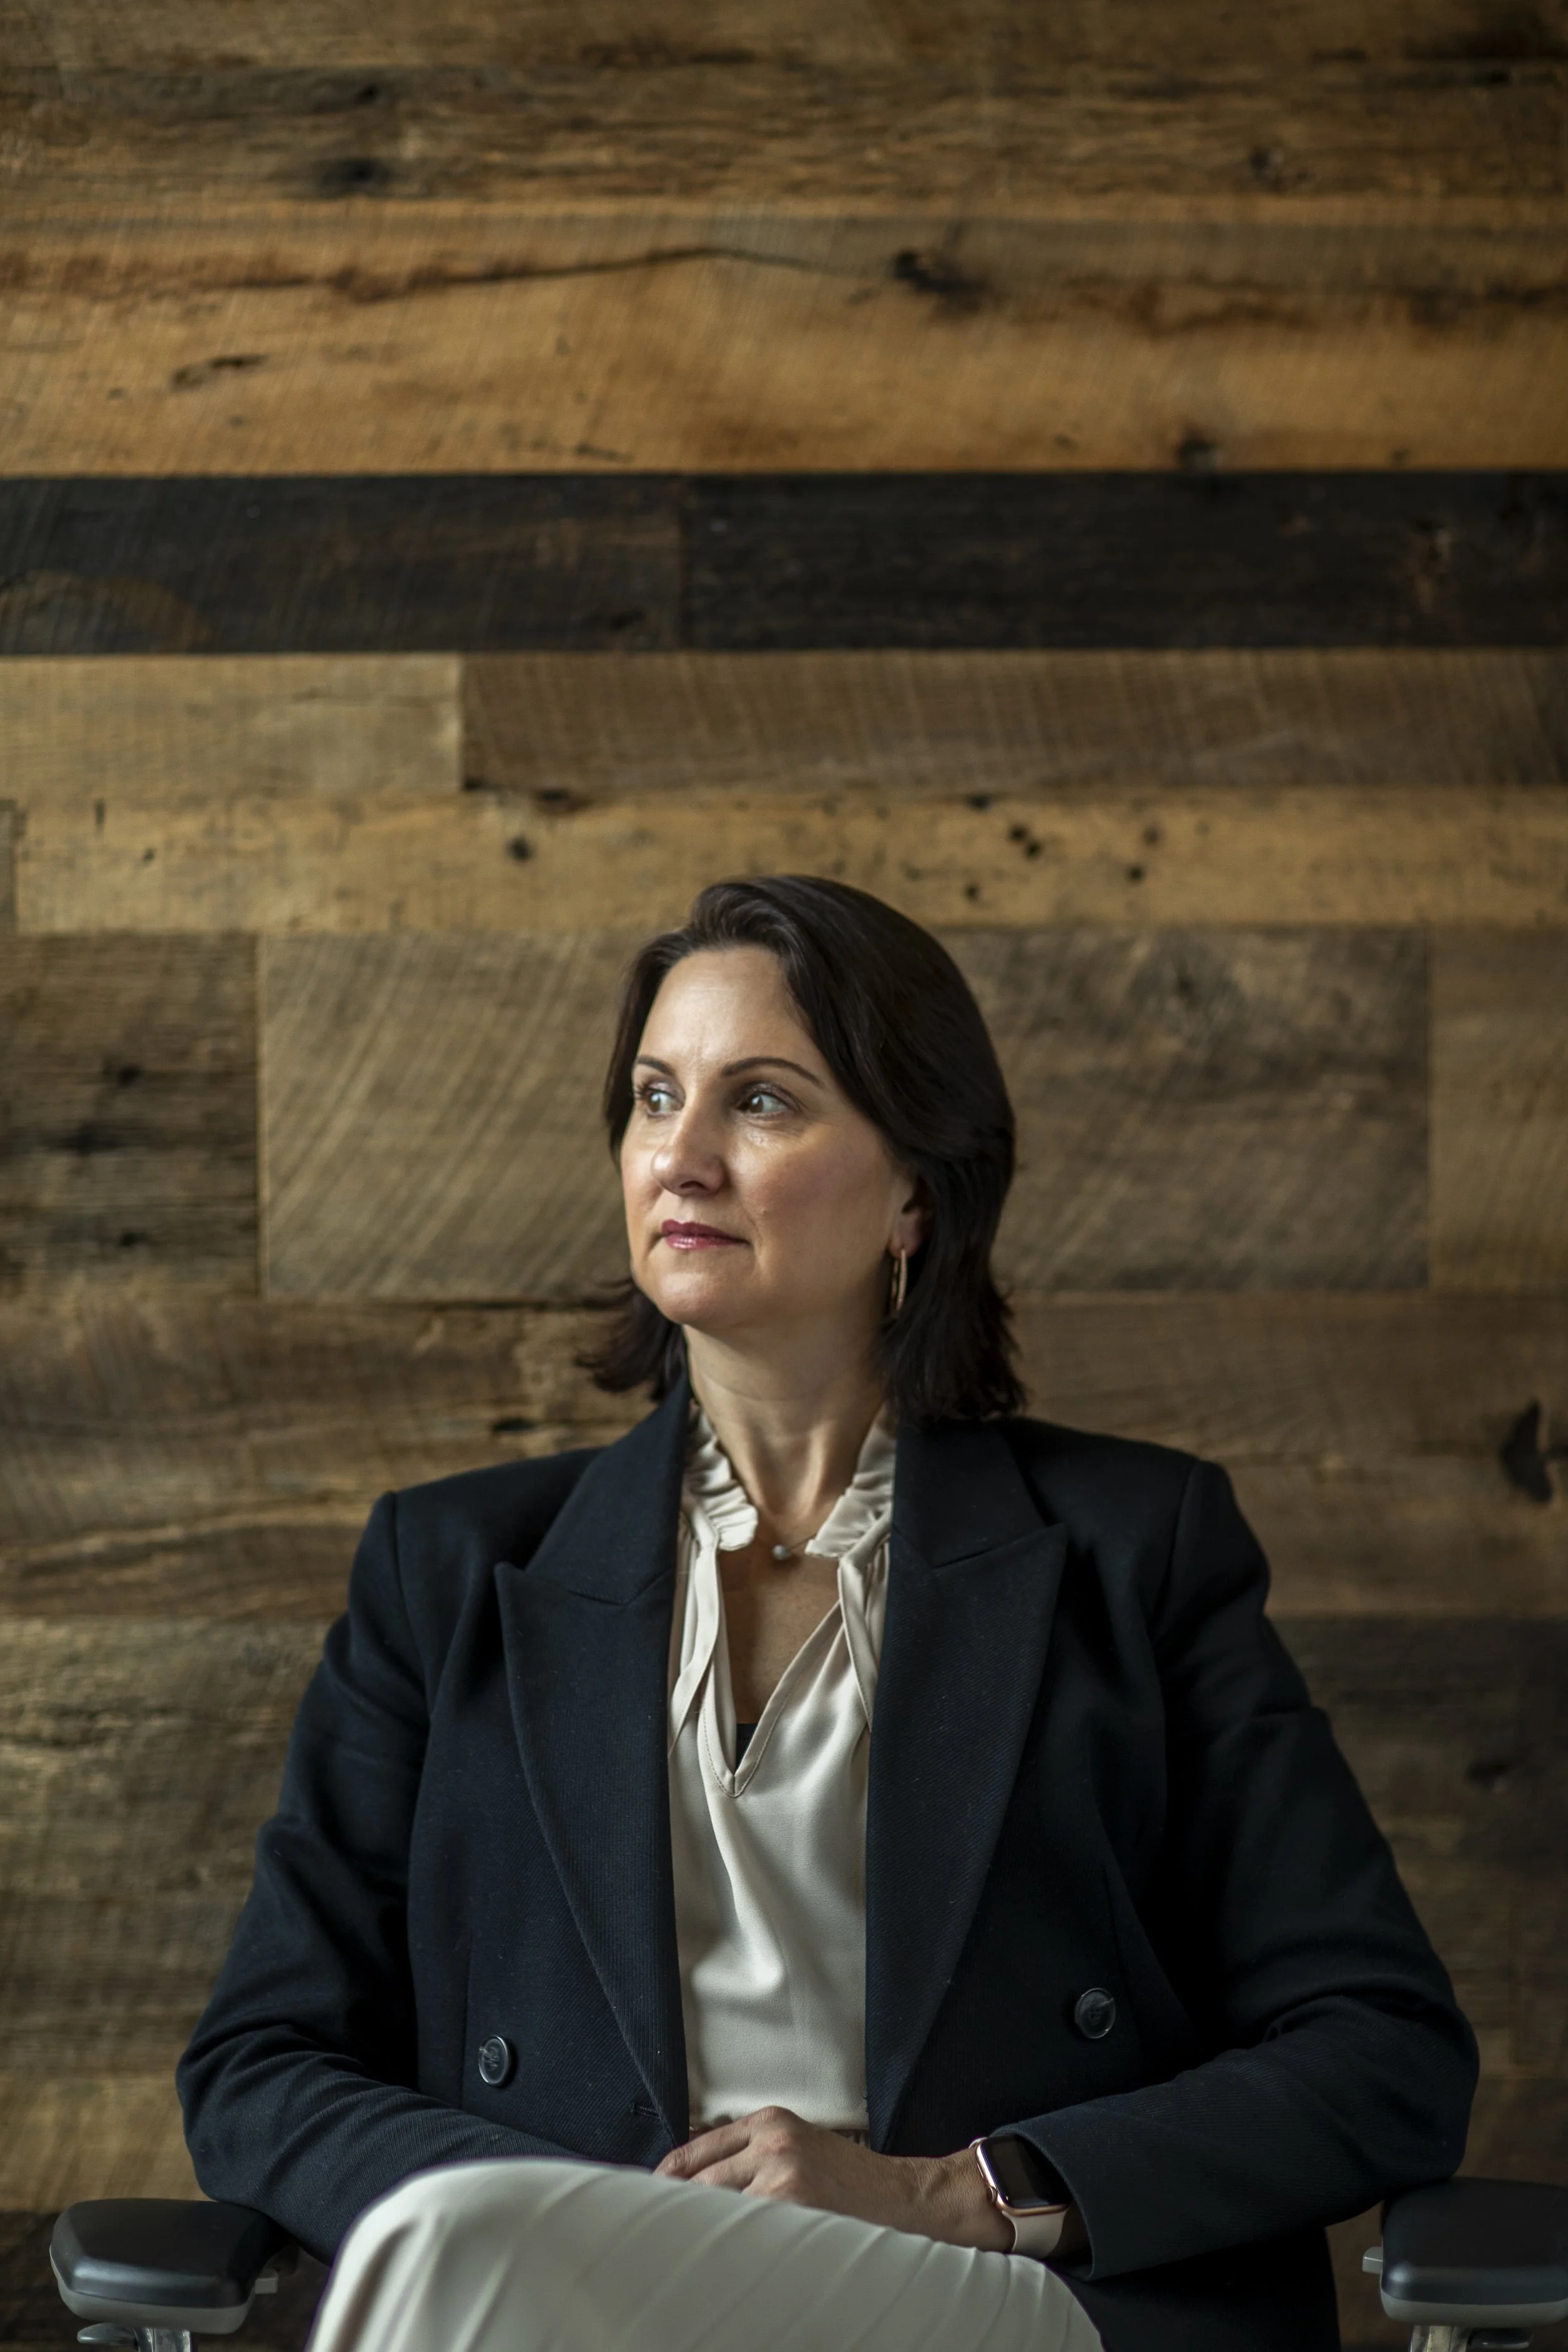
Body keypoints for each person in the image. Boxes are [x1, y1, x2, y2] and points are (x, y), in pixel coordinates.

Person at [178, 876, 1476, 2352]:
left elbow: (1385, 2055)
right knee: (483, 2254)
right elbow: (257, 2064)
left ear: (916, 1192)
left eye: (764, 1104)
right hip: (568, 2284)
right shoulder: (446, 1572)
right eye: (655, 1096)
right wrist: (573, 2216)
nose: (680, 1155)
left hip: (999, 2296)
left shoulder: (1135, 1554)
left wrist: (952, 2193)